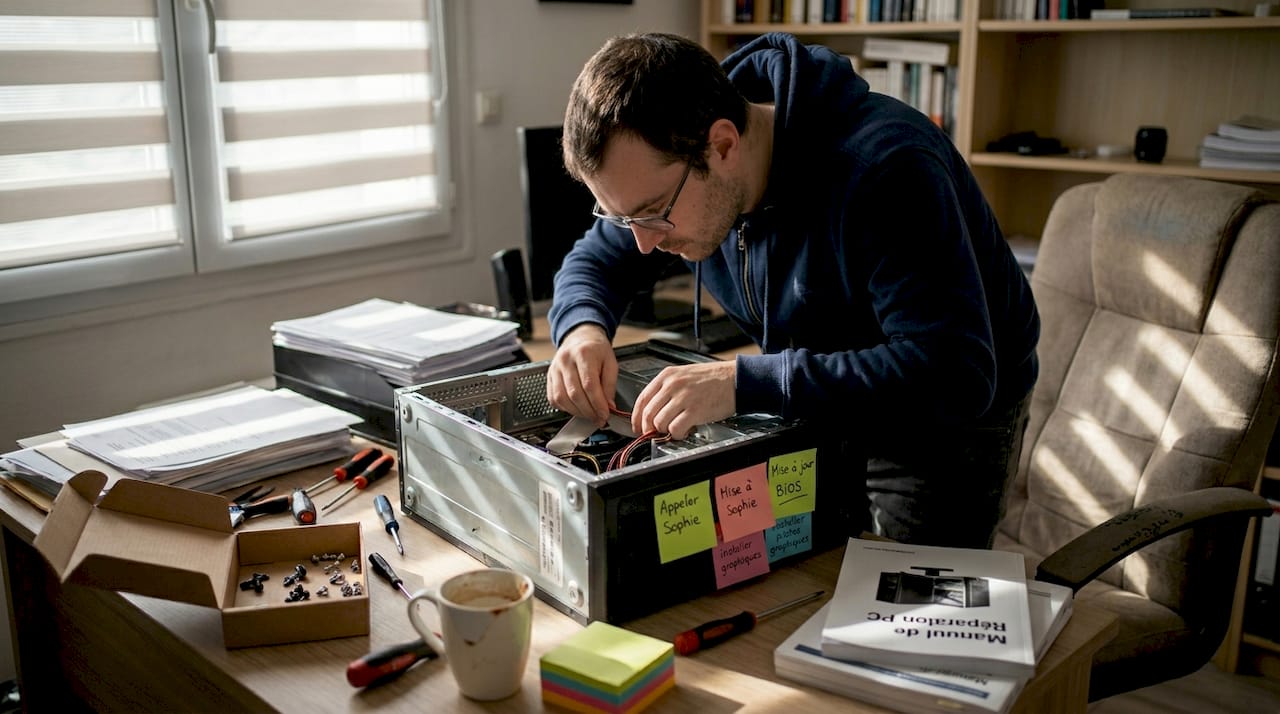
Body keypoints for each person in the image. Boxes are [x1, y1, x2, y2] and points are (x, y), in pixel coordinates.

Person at [544, 32, 1039, 549]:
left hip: (942, 418)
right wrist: (581, 331)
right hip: (817, 388)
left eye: (653, 213)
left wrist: (745, 383)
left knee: (902, 608)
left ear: (723, 145)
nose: (642, 244)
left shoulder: (888, 169)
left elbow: (954, 372)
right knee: (803, 565)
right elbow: (595, 261)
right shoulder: (674, 166)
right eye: (623, 218)